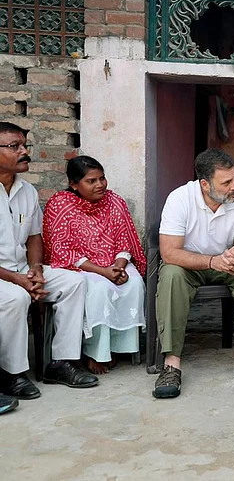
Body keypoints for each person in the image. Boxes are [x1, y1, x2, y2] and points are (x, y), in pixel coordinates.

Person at [153, 148, 234, 399]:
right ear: (205, 184)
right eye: (227, 182)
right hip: (189, 266)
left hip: (227, 263)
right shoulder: (179, 199)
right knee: (171, 275)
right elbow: (169, 253)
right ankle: (171, 364)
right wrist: (212, 261)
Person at [0, 122, 98, 399]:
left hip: (22, 270)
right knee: (15, 298)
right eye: (14, 147)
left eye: (24, 146)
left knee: (73, 281)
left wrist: (36, 271)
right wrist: (18, 280)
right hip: (5, 277)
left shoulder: (27, 192)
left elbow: (33, 238)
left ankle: (61, 363)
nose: (23, 151)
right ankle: (12, 374)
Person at [43, 156, 146, 374]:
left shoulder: (115, 201)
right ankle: (95, 353)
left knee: (134, 284)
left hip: (114, 262)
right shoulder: (60, 204)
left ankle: (118, 348)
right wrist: (104, 272)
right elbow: (62, 250)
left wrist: (119, 266)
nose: (100, 185)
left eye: (102, 178)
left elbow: (124, 240)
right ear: (74, 184)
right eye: (91, 181)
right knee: (99, 288)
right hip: (79, 266)